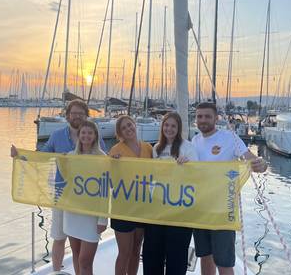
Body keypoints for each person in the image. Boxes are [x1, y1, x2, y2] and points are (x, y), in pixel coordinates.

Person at [10, 99, 106, 272]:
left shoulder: (94, 137)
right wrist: (21, 156)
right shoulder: (57, 136)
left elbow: (105, 169)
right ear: (68, 115)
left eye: (80, 113)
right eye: (73, 113)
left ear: (86, 116)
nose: (77, 116)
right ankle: (56, 271)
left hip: (87, 202)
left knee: (83, 256)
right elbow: (42, 156)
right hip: (62, 195)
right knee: (59, 237)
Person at [192, 102, 267, 275]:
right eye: (199, 116)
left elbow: (250, 159)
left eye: (207, 116)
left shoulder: (230, 138)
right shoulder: (194, 140)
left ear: (215, 118)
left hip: (223, 211)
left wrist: (261, 164)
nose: (202, 120)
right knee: (205, 256)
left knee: (224, 261)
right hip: (200, 209)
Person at [142, 112, 197, 275]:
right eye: (166, 125)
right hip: (157, 207)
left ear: (179, 128)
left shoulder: (188, 147)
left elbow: (197, 174)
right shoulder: (156, 148)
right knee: (152, 252)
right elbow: (153, 176)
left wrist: (188, 164)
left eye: (173, 126)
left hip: (180, 209)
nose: (169, 129)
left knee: (177, 255)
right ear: (162, 127)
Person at [108, 115, 153, 275]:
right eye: (124, 128)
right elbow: (111, 182)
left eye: (130, 125)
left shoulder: (148, 148)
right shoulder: (116, 151)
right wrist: (113, 164)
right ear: (120, 133)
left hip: (142, 208)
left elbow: (157, 174)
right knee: (124, 253)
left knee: (135, 251)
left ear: (135, 124)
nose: (128, 129)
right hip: (123, 209)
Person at [63, 120, 108, 275]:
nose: (86, 136)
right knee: (75, 255)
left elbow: (104, 190)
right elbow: (66, 181)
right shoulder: (70, 156)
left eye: (90, 133)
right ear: (78, 134)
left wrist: (103, 218)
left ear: (95, 136)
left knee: (85, 261)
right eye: (83, 132)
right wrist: (20, 156)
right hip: (71, 213)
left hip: (91, 216)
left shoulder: (102, 158)